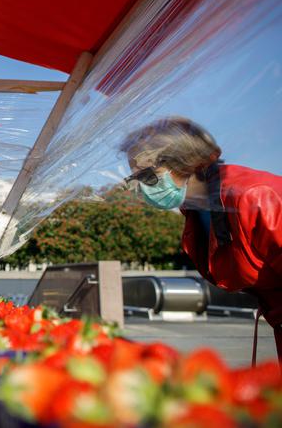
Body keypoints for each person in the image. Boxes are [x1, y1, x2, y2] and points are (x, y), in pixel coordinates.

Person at [120, 116, 282, 361]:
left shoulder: (257, 198)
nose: (143, 189)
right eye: (137, 181)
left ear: (187, 163)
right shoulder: (197, 212)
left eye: (148, 177)